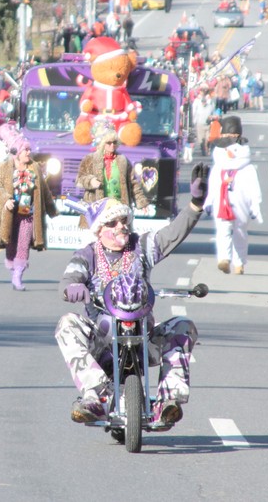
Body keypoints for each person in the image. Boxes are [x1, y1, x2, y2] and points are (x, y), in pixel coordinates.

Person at [54, 164, 209, 425]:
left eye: (124, 221)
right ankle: (97, 397)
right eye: (112, 223)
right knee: (66, 324)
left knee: (183, 326)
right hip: (101, 340)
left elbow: (173, 234)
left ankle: (167, 402)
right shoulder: (87, 254)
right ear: (99, 229)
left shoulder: (142, 246)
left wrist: (195, 204)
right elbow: (68, 279)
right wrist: (73, 287)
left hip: (144, 335)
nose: (121, 227)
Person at [0, 124, 58, 290]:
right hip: (9, 214)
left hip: (27, 214)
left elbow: (44, 191)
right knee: (11, 244)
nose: (29, 153)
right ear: (16, 152)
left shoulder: (34, 167)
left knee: (23, 244)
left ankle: (18, 275)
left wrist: (52, 211)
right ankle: (13, 267)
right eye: (25, 150)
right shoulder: (2, 168)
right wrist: (6, 199)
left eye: (29, 150)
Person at [204, 117, 263, 274]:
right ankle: (224, 259)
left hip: (241, 203)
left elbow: (254, 187)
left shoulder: (247, 167)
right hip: (222, 203)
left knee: (240, 232)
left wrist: (255, 205)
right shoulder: (219, 166)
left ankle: (239, 262)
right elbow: (213, 184)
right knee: (223, 230)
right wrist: (209, 201)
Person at [75, 122, 151, 222]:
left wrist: (141, 202)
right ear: (102, 143)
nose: (112, 145)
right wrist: (90, 181)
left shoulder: (123, 160)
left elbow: (133, 184)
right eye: (109, 143)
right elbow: (79, 179)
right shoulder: (90, 159)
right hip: (97, 210)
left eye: (114, 142)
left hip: (119, 209)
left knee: (119, 232)